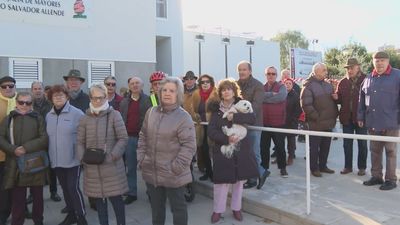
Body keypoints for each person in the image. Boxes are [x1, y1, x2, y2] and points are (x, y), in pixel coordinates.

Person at [137, 77, 196, 225]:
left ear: (178, 94)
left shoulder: (183, 117)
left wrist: (175, 167)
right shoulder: (151, 112)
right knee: (157, 211)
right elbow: (143, 136)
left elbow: (189, 146)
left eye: (172, 90)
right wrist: (142, 158)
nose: (167, 93)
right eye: (164, 90)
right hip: (152, 171)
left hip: (173, 174)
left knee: (178, 210)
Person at [207, 79, 259, 223]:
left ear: (234, 91)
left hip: (241, 151)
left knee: (238, 182)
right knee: (221, 184)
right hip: (223, 151)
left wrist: (234, 116)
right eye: (223, 90)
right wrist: (226, 139)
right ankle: (218, 211)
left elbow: (252, 118)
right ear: (220, 93)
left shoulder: (243, 104)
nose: (226, 91)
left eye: (229, 89)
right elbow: (211, 131)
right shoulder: (216, 111)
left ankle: (237, 209)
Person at [77, 84, 129, 225]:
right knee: (99, 203)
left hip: (112, 167)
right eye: (94, 98)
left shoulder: (114, 115)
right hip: (92, 167)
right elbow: (80, 141)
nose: (98, 101)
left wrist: (112, 156)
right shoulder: (84, 118)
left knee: (117, 201)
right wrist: (82, 158)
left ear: (106, 97)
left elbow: (123, 138)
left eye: (101, 98)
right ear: (90, 98)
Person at [0, 92, 48, 225]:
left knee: (38, 198)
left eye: (28, 102)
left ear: (31, 104)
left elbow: (44, 138)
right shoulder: (8, 119)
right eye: (21, 102)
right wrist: (12, 149)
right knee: (18, 199)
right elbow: (1, 138)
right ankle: (17, 222)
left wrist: (25, 148)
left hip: (35, 163)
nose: (24, 105)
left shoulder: (38, 117)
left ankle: (38, 221)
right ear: (16, 103)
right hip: (16, 164)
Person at [46, 85, 87, 225]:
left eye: (61, 95)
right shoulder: (48, 116)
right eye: (55, 95)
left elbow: (85, 135)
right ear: (51, 98)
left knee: (73, 188)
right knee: (65, 189)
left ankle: (81, 217)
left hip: (73, 159)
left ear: (67, 97)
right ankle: (71, 215)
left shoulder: (77, 113)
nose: (58, 97)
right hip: (56, 160)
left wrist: (81, 154)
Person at [358, 51, 400, 191]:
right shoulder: (369, 78)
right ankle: (376, 176)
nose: (379, 63)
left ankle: (390, 179)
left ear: (388, 61)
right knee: (375, 150)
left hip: (391, 123)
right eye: (377, 60)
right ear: (373, 62)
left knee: (390, 151)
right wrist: (360, 116)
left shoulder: (397, 76)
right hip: (373, 122)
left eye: (382, 60)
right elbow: (362, 100)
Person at [300, 63, 338, 177]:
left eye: (326, 70)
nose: (326, 72)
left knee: (326, 146)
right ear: (316, 72)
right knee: (314, 148)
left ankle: (323, 166)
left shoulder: (328, 85)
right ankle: (314, 168)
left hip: (328, 122)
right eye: (324, 70)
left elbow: (333, 101)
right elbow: (306, 105)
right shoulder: (308, 86)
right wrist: (317, 117)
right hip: (315, 123)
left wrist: (335, 113)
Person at [236, 60, 270, 190]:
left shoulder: (258, 85)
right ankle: (261, 173)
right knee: (244, 152)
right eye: (239, 70)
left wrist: (239, 114)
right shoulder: (235, 85)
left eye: (244, 69)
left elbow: (255, 106)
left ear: (250, 71)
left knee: (254, 152)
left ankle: (253, 178)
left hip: (253, 124)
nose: (241, 72)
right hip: (239, 124)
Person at [332, 58, 367, 176]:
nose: (349, 70)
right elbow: (340, 100)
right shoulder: (342, 82)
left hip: (361, 118)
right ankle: (348, 167)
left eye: (352, 68)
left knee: (362, 144)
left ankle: (362, 167)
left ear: (358, 67)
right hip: (346, 118)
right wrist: (336, 98)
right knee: (347, 144)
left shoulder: (366, 79)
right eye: (348, 68)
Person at [119, 77, 151, 204]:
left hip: (145, 138)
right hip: (129, 138)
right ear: (129, 86)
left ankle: (151, 192)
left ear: (142, 85)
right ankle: (132, 192)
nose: (135, 85)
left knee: (147, 166)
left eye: (137, 82)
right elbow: (121, 119)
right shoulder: (123, 102)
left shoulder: (150, 99)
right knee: (130, 167)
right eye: (132, 83)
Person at [31, 81, 62, 202]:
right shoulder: (28, 104)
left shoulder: (50, 104)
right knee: (33, 168)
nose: (37, 90)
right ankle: (32, 195)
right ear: (32, 90)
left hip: (49, 140)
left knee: (51, 169)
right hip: (33, 141)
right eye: (35, 89)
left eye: (39, 88)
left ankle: (53, 192)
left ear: (43, 90)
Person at [260, 66, 288, 177]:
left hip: (278, 123)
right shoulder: (262, 87)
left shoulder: (281, 87)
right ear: (265, 75)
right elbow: (259, 97)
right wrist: (271, 95)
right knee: (264, 148)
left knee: (280, 148)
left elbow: (281, 98)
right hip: (264, 123)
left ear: (276, 75)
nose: (271, 75)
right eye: (268, 73)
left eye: (273, 74)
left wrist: (265, 99)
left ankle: (283, 168)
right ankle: (264, 168)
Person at [191, 74, 219, 181]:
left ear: (211, 83)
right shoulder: (196, 94)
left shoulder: (216, 94)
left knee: (214, 150)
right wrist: (196, 116)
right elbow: (193, 108)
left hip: (213, 126)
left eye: (207, 82)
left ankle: (217, 172)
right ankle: (208, 172)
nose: (205, 84)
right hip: (201, 126)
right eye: (203, 82)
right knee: (204, 149)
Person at [0, 76, 16, 225]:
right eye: (4, 86)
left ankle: (21, 209)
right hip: (2, 154)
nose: (7, 89)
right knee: (4, 186)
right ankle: (4, 213)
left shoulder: (22, 101)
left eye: (10, 86)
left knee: (20, 184)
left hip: (19, 153)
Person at [283, 78, 302, 165]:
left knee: (291, 140)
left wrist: (294, 119)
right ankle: (281, 156)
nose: (287, 85)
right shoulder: (281, 94)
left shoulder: (295, 95)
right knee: (280, 140)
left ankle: (291, 156)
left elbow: (298, 109)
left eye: (289, 83)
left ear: (292, 85)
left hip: (291, 121)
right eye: (286, 83)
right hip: (282, 121)